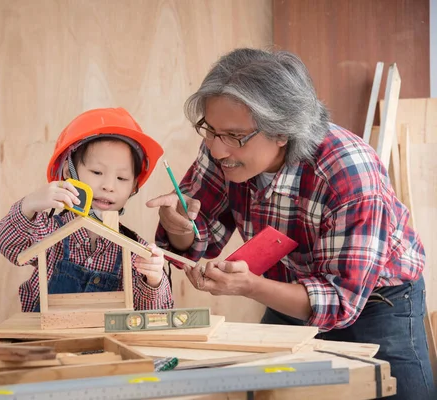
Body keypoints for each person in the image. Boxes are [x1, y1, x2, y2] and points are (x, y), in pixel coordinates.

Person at [147, 48, 434, 399]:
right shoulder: (222, 150)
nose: (217, 150)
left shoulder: (349, 174)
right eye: (210, 130)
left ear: (282, 132)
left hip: (376, 302)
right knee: (265, 391)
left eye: (234, 136)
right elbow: (199, 235)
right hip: (289, 290)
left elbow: (340, 301)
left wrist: (249, 286)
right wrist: (179, 228)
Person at [0, 107, 173, 313]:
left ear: (133, 187)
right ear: (69, 171)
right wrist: (30, 204)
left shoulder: (134, 251)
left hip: (106, 344)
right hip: (48, 342)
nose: (109, 186)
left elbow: (156, 314)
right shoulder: (49, 231)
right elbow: (8, 244)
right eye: (97, 172)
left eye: (121, 178)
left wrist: (154, 280)